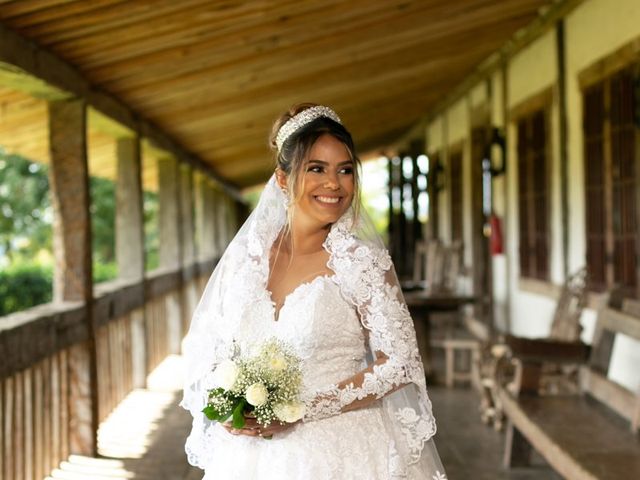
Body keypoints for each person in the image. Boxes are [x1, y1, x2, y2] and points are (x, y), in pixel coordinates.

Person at [180, 103, 447, 479]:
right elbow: (208, 348)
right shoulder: (246, 259)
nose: (334, 184)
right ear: (284, 179)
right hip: (247, 458)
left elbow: (399, 363)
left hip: (341, 454)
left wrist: (303, 408)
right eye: (316, 169)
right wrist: (228, 408)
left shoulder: (361, 262)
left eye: (345, 170)